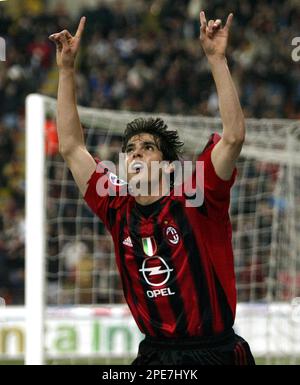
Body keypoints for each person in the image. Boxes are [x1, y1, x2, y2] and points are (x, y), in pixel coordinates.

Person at [49, 10, 255, 365]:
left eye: (147, 147)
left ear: (168, 165)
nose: (136, 154)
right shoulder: (116, 204)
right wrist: (67, 71)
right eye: (129, 150)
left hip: (215, 353)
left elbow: (234, 137)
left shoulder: (197, 192)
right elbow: (70, 147)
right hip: (155, 355)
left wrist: (216, 59)